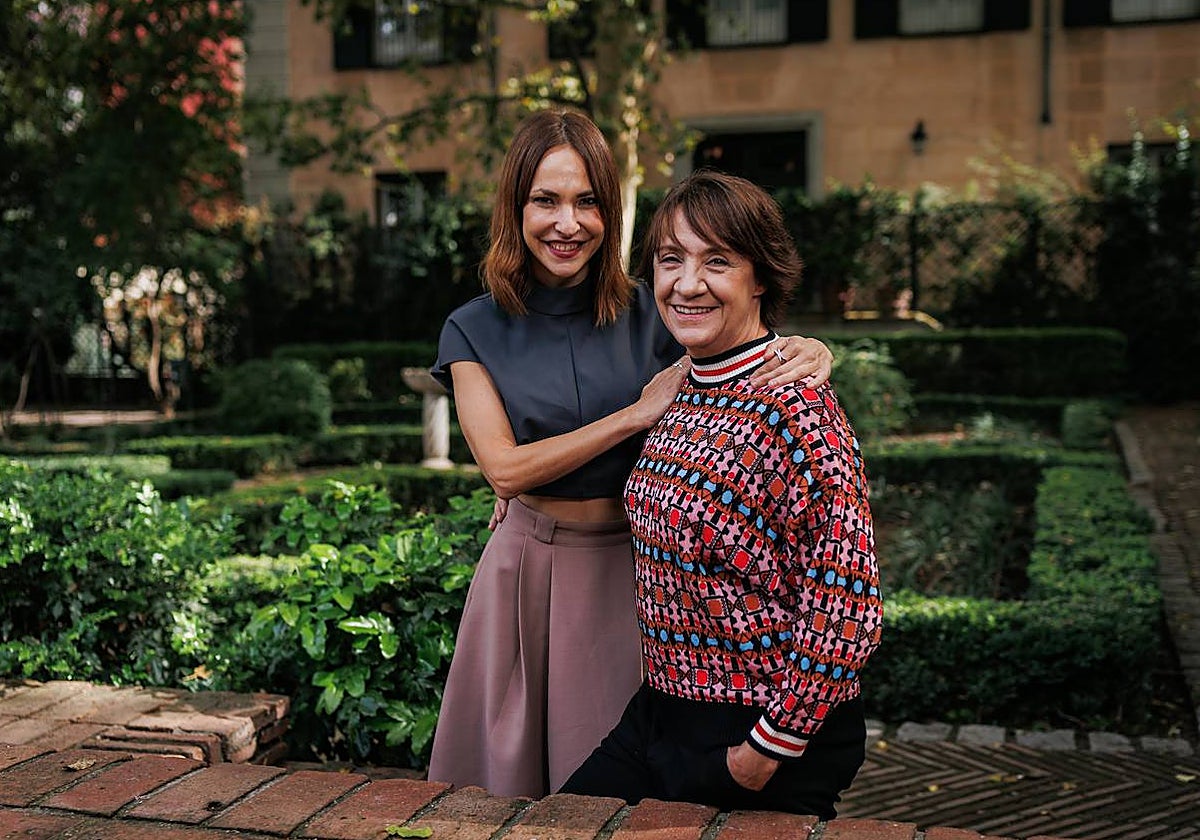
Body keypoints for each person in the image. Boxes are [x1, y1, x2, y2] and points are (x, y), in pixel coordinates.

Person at [427, 109, 835, 799]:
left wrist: (816, 349)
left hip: (636, 575)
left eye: (588, 201)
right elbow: (503, 467)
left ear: (610, 211)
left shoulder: (661, 308)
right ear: (515, 207)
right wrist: (636, 415)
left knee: (626, 792)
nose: (568, 222)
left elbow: (744, 359)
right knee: (507, 795)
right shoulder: (472, 328)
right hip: (525, 568)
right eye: (546, 201)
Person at [560, 170, 883, 818]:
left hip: (757, 735)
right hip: (663, 714)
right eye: (671, 259)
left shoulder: (795, 407)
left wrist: (764, 750)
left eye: (717, 261)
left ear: (759, 276)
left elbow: (849, 607)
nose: (686, 283)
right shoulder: (680, 385)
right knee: (555, 825)